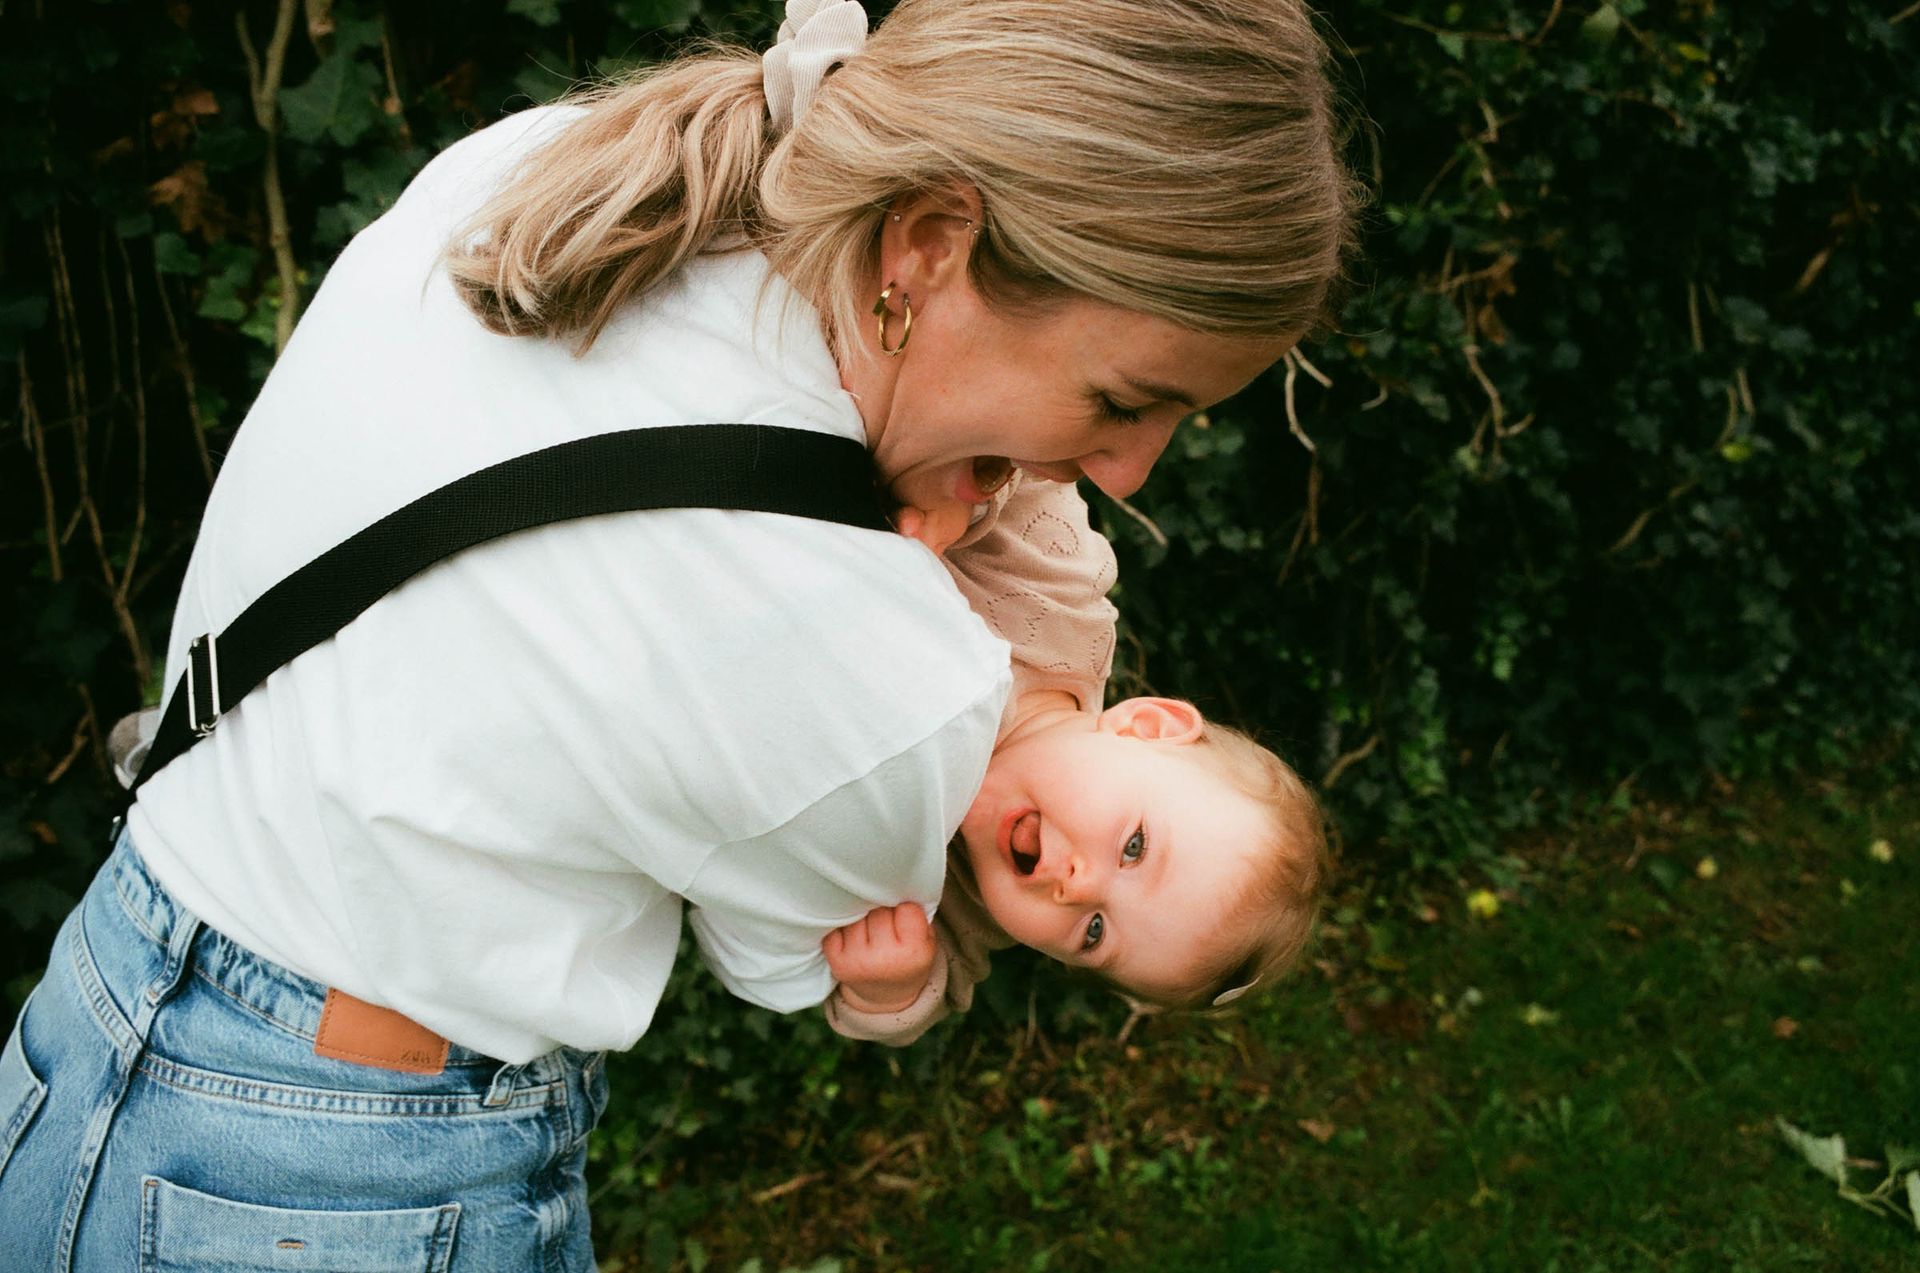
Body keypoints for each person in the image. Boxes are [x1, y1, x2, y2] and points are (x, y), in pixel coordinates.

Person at [0, 0, 1356, 1267]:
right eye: (1126, 399)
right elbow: (783, 948)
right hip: (326, 1179)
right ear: (933, 244)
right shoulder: (882, 677)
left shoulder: (572, 170)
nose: (1130, 472)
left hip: (107, 1014)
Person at [824, 688, 1329, 1043]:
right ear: (1146, 728)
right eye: (1134, 847)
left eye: (1094, 932)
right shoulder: (1054, 616)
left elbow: (926, 1004)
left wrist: (891, 990)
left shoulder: (955, 916)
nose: (1079, 888)